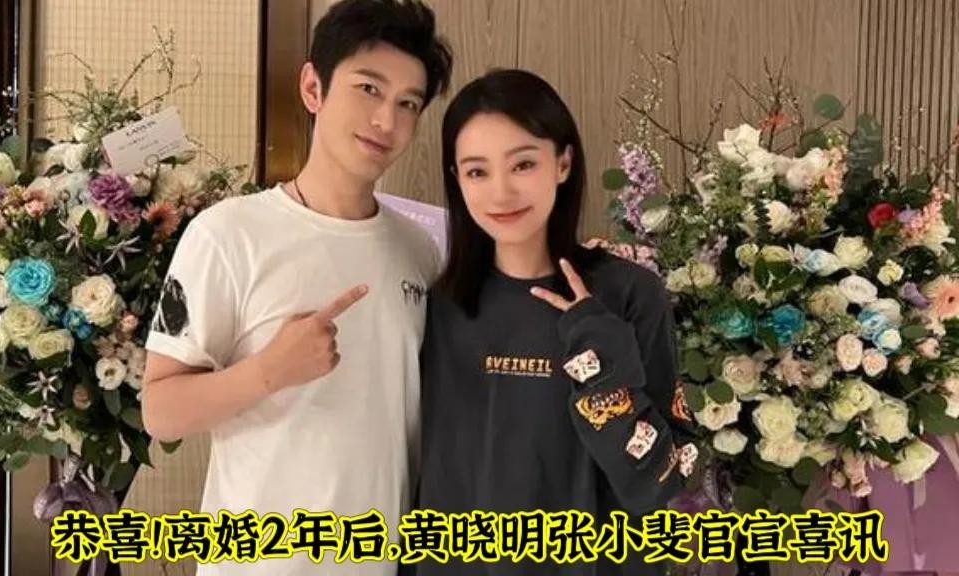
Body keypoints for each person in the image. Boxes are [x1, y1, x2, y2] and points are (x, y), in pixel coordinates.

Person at [141, 1, 452, 574]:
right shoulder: (228, 234)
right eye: (368, 89)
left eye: (408, 103)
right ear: (314, 87)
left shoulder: (421, 250)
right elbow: (160, 410)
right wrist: (269, 371)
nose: (386, 120)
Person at [412, 69, 696, 575]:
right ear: (457, 179)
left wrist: (598, 350)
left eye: (523, 164)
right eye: (477, 172)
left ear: (562, 163)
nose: (501, 192)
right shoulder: (440, 305)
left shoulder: (629, 295)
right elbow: (434, 479)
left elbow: (663, 482)